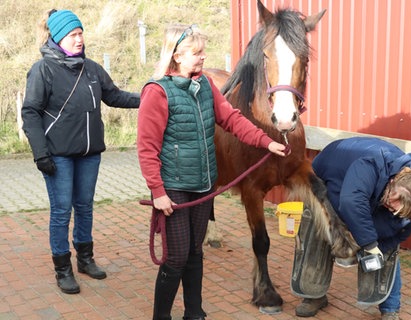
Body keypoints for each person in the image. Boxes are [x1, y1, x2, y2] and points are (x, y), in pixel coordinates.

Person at [136, 23, 287, 320]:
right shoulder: (157, 93)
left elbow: (232, 119)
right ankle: (161, 316)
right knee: (176, 257)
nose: (203, 57)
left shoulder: (204, 84)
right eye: (197, 52)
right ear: (176, 56)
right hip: (175, 187)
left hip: (204, 184)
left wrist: (266, 142)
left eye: (203, 51)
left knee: (195, 253)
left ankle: (195, 313)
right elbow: (146, 148)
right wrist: (158, 192)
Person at [21, 9, 140, 294]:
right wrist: (41, 154)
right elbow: (30, 113)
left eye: (81, 33)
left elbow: (115, 96)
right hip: (58, 156)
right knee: (61, 211)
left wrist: (149, 96)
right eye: (73, 35)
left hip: (89, 155)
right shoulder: (43, 70)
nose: (79, 39)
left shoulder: (92, 68)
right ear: (59, 37)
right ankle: (63, 269)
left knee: (84, 207)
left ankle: (85, 260)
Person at [294, 137, 411, 320]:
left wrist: (378, 250)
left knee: (386, 253)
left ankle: (390, 308)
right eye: (393, 199)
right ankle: (313, 295)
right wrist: (369, 244)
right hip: (328, 175)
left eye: (400, 208)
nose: (392, 206)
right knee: (320, 234)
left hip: (365, 191)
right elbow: (350, 201)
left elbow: (399, 233)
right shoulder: (372, 164)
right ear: (393, 180)